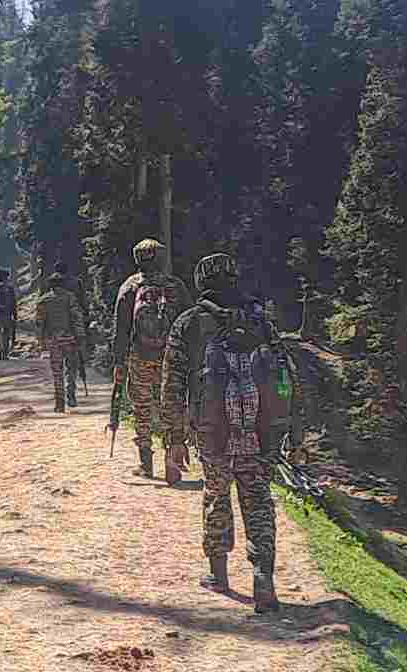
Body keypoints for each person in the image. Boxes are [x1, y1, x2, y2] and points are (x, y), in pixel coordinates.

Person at [160, 252, 305, 614]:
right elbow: (287, 377)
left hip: (212, 430)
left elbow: (172, 384)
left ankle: (218, 574)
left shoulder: (189, 322)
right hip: (260, 429)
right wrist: (293, 431)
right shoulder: (260, 320)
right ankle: (263, 577)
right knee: (258, 499)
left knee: (216, 494)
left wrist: (174, 438)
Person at [111, 238, 193, 481]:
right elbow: (190, 321)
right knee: (172, 407)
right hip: (171, 357)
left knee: (142, 408)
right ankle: (172, 460)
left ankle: (146, 462)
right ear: (161, 257)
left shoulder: (130, 287)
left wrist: (119, 362)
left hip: (140, 356)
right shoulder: (175, 285)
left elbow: (122, 328)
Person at [35, 273, 84, 413]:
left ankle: (59, 402)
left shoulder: (44, 300)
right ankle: (71, 394)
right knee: (71, 369)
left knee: (57, 372)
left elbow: (39, 322)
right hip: (70, 339)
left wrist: (41, 341)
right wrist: (80, 335)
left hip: (53, 340)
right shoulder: (70, 298)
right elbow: (77, 317)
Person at [54, 261, 91, 406]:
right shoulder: (77, 282)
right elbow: (83, 304)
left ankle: (60, 397)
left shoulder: (52, 283)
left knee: (58, 367)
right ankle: (71, 394)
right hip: (74, 329)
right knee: (72, 365)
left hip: (56, 330)